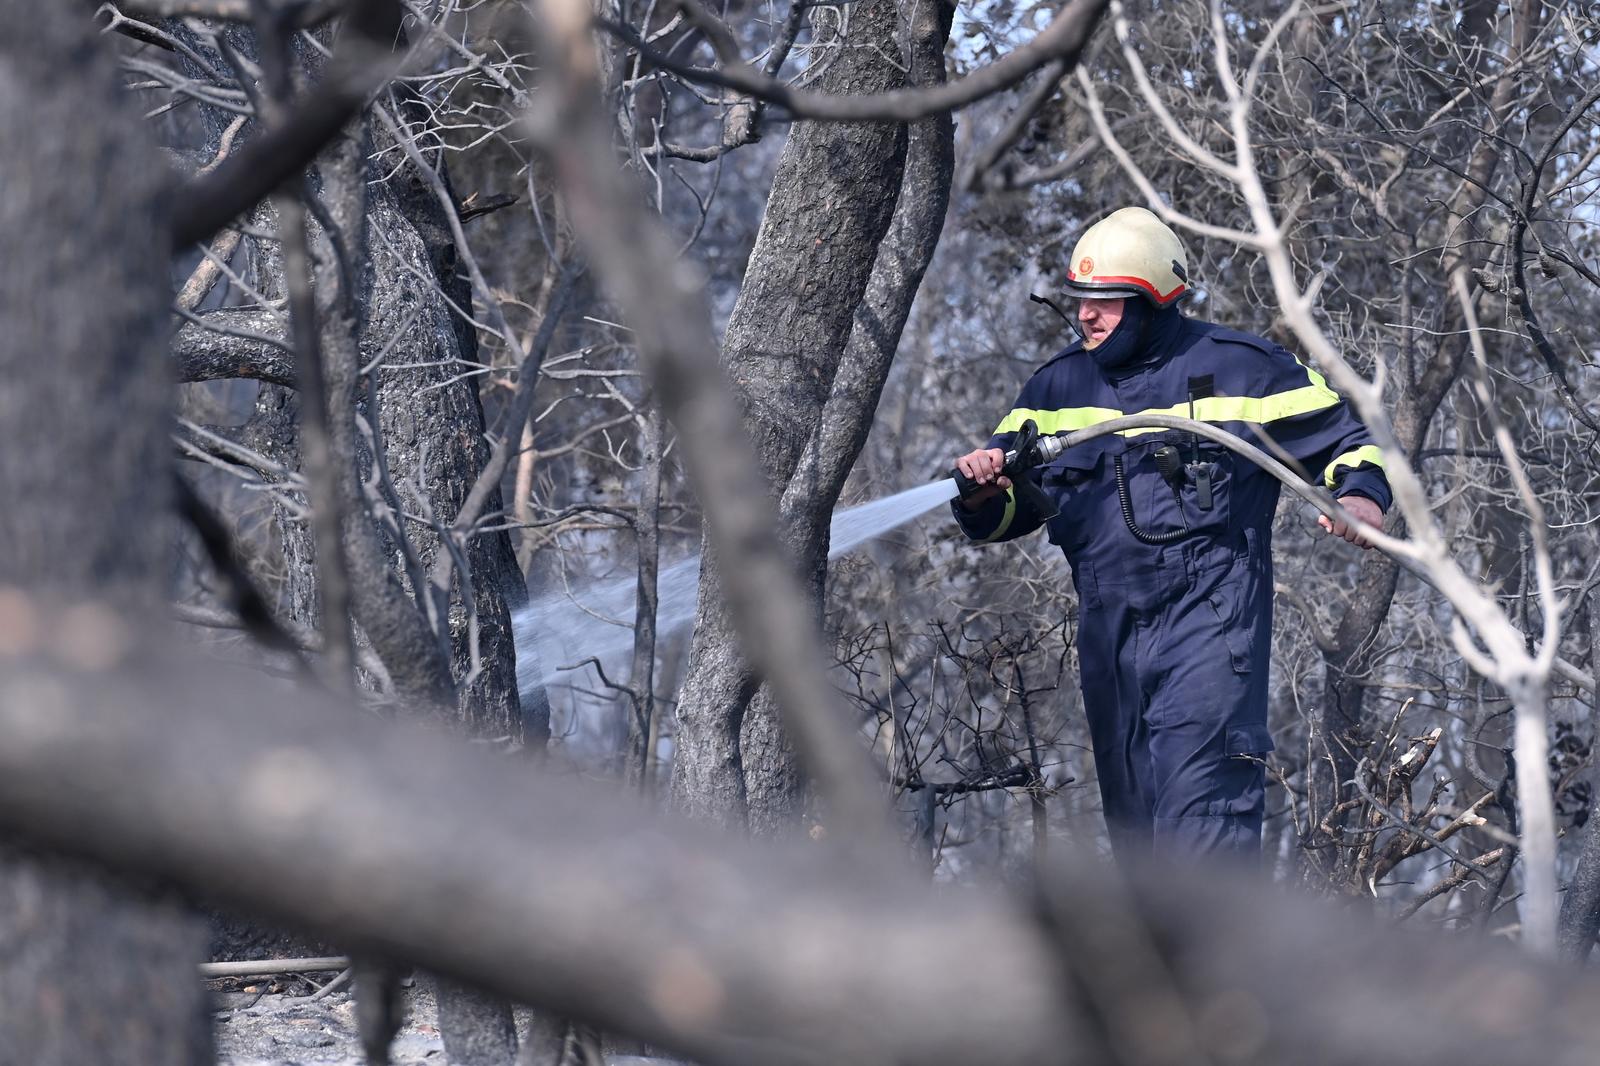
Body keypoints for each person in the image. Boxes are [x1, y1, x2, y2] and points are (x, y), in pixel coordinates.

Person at [952, 207, 1390, 862]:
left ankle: (1220, 965)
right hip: (1110, 644)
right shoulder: (1055, 388)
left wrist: (1360, 496)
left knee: (1204, 827)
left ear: (1155, 302)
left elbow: (1354, 442)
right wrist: (985, 496)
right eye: (1081, 301)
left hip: (1210, 636)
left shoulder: (1246, 371)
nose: (1087, 317)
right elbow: (1019, 510)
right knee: (1137, 849)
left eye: (1107, 302)